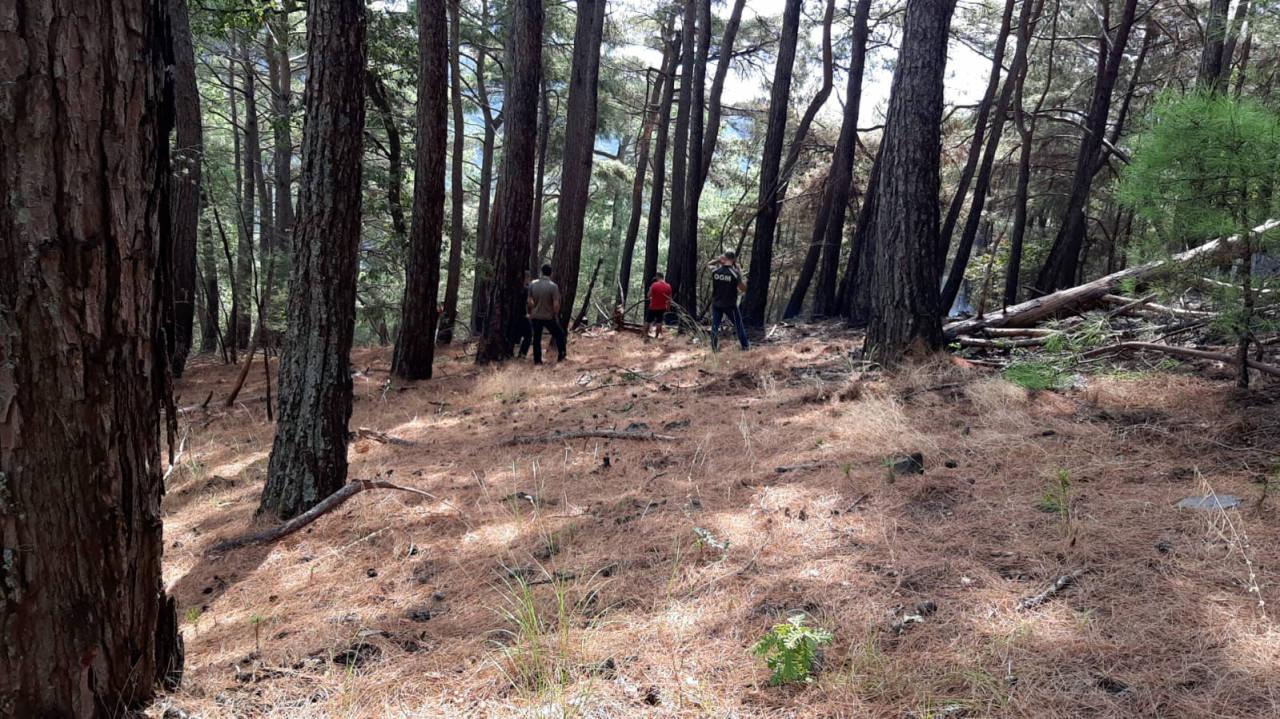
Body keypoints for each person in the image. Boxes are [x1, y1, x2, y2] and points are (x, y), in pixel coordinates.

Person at [707, 251, 749, 352]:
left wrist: (718, 259)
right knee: (738, 325)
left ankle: (714, 348)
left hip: (717, 303)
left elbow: (708, 264)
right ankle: (745, 346)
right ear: (734, 259)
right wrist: (741, 274)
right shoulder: (735, 273)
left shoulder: (716, 270)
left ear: (724, 258)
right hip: (730, 305)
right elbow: (743, 289)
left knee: (715, 326)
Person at [527, 263, 567, 364]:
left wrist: (530, 311)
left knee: (536, 338)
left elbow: (529, 301)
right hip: (548, 317)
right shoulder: (553, 286)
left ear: (541, 272)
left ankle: (537, 360)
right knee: (560, 334)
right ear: (551, 273)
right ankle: (561, 355)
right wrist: (555, 314)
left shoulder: (533, 284)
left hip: (536, 316)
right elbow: (556, 304)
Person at [509, 270, 533, 358]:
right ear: (526, 278)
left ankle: (510, 353)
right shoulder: (526, 290)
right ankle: (522, 355)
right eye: (528, 278)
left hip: (511, 316)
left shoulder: (513, 289)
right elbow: (529, 302)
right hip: (522, 316)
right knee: (529, 335)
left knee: (512, 335)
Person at [646, 272, 673, 340]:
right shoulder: (668, 286)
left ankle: (644, 335)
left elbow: (648, 296)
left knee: (648, 321)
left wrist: (650, 291)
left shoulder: (654, 285)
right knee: (659, 322)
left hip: (653, 306)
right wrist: (668, 308)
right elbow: (669, 299)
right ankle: (656, 336)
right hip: (662, 307)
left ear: (658, 277)